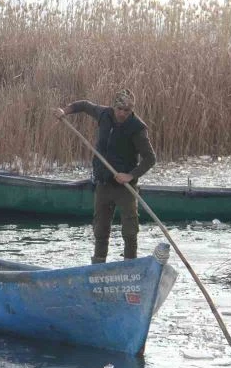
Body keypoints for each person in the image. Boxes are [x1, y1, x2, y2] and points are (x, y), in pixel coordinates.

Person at [55, 88, 156, 263]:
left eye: (127, 110)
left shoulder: (137, 128)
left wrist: (130, 176)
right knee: (101, 229)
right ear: (113, 107)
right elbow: (84, 105)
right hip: (103, 183)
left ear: (132, 110)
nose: (123, 114)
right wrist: (65, 111)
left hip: (124, 187)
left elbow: (150, 158)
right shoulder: (104, 114)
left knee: (130, 231)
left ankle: (130, 265)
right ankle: (99, 264)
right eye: (119, 109)